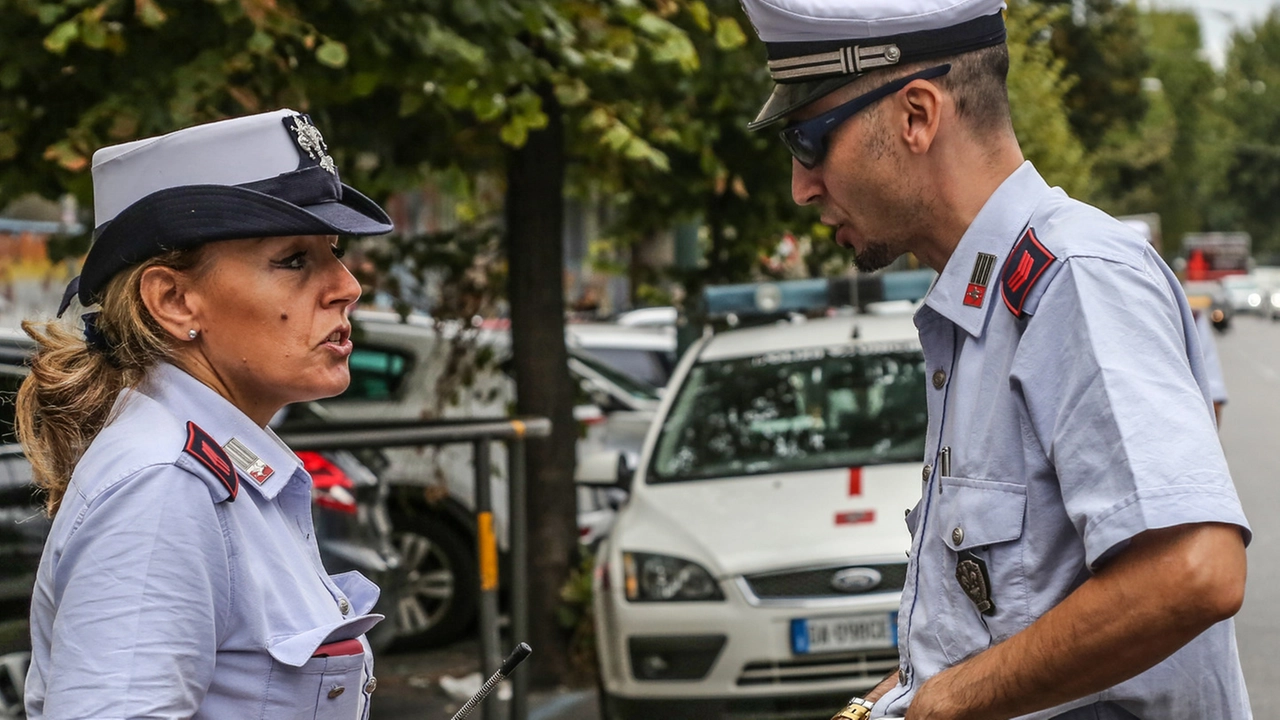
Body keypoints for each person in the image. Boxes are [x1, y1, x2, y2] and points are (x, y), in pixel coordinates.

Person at [737, 1, 1251, 718]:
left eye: (807, 141)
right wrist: (905, 694)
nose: (802, 188)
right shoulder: (986, 303)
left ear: (916, 115)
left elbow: (1194, 570)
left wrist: (947, 702)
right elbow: (1012, 614)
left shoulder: (1073, 279)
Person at [18, 108, 394, 719]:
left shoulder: (215, 467)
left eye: (334, 251)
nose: (346, 284)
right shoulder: (165, 484)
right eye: (294, 259)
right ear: (173, 299)